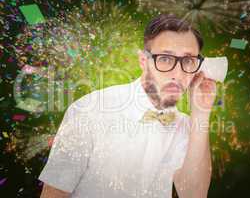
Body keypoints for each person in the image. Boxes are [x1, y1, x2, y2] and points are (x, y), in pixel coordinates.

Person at [39, 13, 217, 198]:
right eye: (165, 59)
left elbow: (194, 194)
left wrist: (201, 113)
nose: (178, 74)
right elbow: (53, 193)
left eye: (188, 61)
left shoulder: (188, 126)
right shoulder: (89, 110)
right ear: (143, 61)